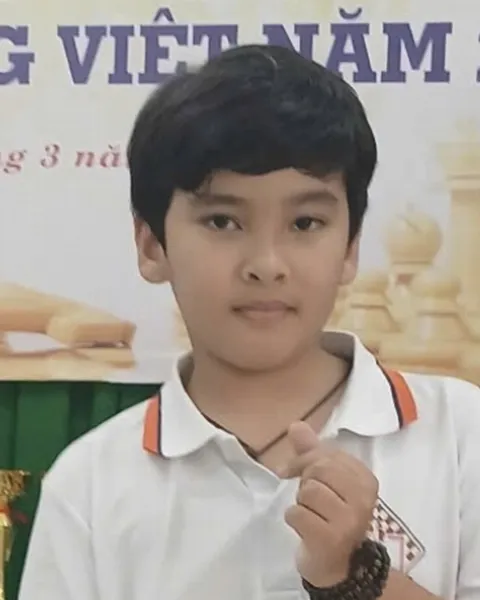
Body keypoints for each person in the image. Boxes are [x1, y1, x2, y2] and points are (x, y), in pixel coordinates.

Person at [19, 44, 480, 600]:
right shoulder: (89, 484)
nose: (267, 264)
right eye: (223, 221)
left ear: (350, 247)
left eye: (305, 222)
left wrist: (356, 576)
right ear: (151, 245)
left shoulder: (460, 434)